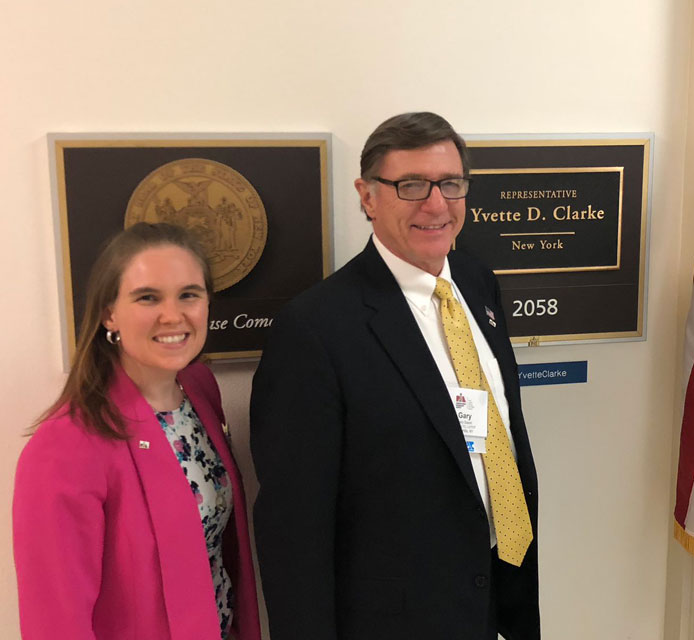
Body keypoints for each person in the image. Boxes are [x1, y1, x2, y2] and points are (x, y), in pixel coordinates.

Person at [250, 112, 540, 640]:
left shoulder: (478, 283)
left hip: (498, 594)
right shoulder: (316, 329)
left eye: (450, 184)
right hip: (395, 619)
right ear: (367, 197)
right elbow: (294, 532)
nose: (436, 204)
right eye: (411, 185)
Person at [13, 223, 261, 640]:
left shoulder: (199, 390)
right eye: (148, 297)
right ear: (109, 312)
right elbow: (54, 620)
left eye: (189, 294)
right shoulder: (66, 445)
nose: (173, 315)